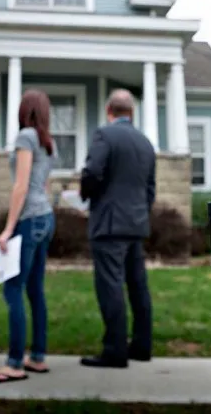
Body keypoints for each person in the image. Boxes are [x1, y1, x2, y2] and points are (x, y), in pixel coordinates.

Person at [0, 89, 57, 384]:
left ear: (24, 111)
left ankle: (14, 363)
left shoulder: (26, 137)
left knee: (13, 288)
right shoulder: (48, 142)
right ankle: (37, 357)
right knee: (35, 289)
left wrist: (8, 228)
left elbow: (21, 186)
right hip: (45, 217)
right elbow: (45, 185)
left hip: (29, 219)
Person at [79, 89, 156, 368]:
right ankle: (142, 346)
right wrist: (140, 212)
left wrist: (86, 195)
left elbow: (93, 172)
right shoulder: (146, 143)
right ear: (131, 114)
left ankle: (114, 350)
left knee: (110, 285)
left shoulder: (104, 135)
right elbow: (150, 188)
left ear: (109, 111)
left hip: (109, 223)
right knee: (137, 286)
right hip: (136, 223)